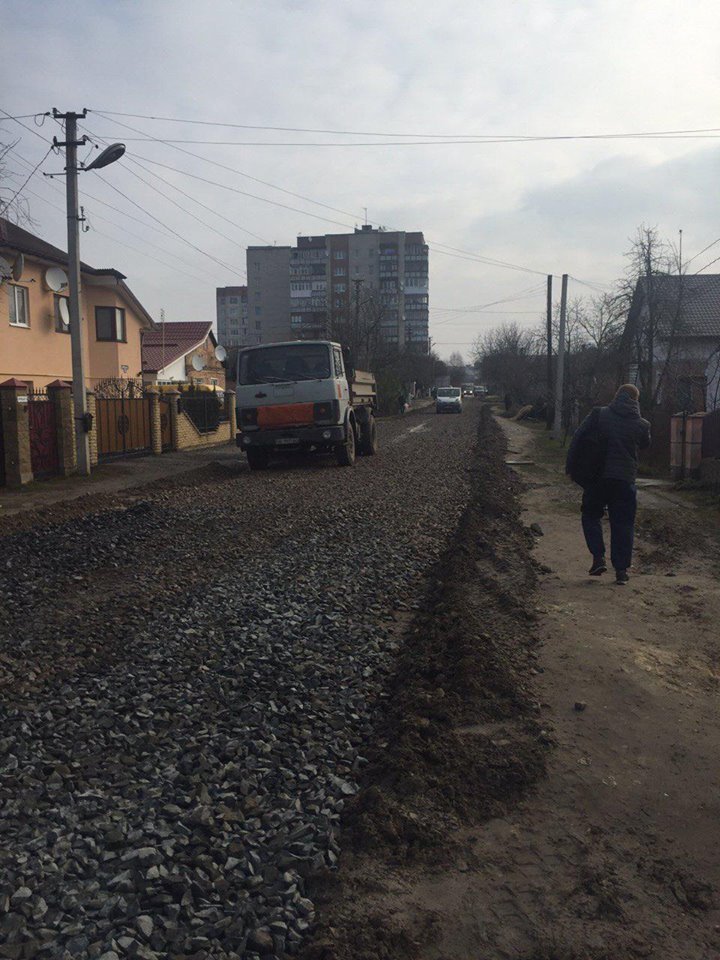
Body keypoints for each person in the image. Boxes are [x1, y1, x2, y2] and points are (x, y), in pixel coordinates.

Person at [565, 384, 651, 586]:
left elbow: (578, 437)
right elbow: (646, 444)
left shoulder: (599, 414)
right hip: (625, 481)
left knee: (590, 514)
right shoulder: (642, 424)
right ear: (636, 400)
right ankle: (621, 571)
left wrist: (571, 467)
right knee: (623, 523)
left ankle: (598, 558)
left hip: (598, 477)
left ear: (617, 395)